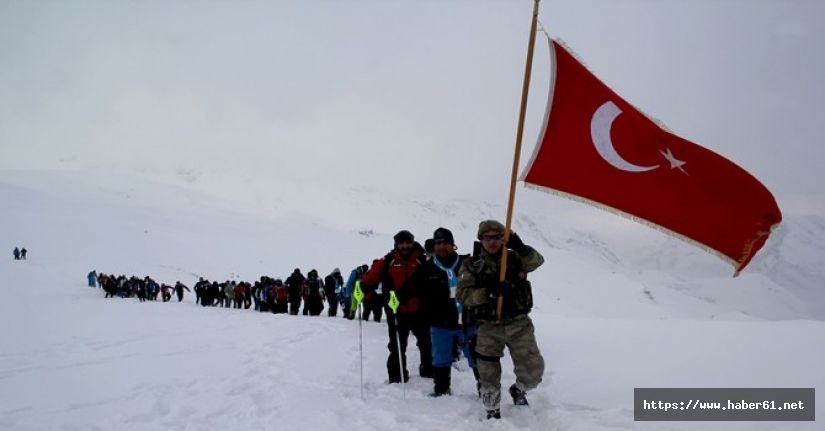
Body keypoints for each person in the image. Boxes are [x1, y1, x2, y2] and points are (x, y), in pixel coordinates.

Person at [456, 220, 545, 420]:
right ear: (481, 239)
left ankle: (519, 389)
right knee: (487, 373)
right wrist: (488, 293)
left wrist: (520, 246)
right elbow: (463, 295)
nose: (492, 241)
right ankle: (492, 410)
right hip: (488, 326)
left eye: (497, 237)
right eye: (487, 237)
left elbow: (537, 261)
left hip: (518, 324)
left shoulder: (515, 258)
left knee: (533, 371)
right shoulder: (471, 265)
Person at [406, 227, 477, 397]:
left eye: (445, 243)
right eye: (438, 243)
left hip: (468, 322)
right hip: (440, 324)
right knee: (440, 358)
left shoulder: (467, 263)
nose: (441, 246)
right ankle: (442, 391)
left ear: (453, 244)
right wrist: (392, 298)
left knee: (477, 357)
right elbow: (408, 289)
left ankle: (486, 390)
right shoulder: (426, 268)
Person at [361, 230, 431, 383]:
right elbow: (371, 276)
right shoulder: (388, 260)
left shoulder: (421, 259)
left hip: (419, 310)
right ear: (396, 244)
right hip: (396, 311)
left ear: (412, 242)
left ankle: (428, 370)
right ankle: (397, 376)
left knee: (426, 342)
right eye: (401, 243)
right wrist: (363, 286)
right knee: (397, 345)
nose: (405, 246)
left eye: (408, 242)